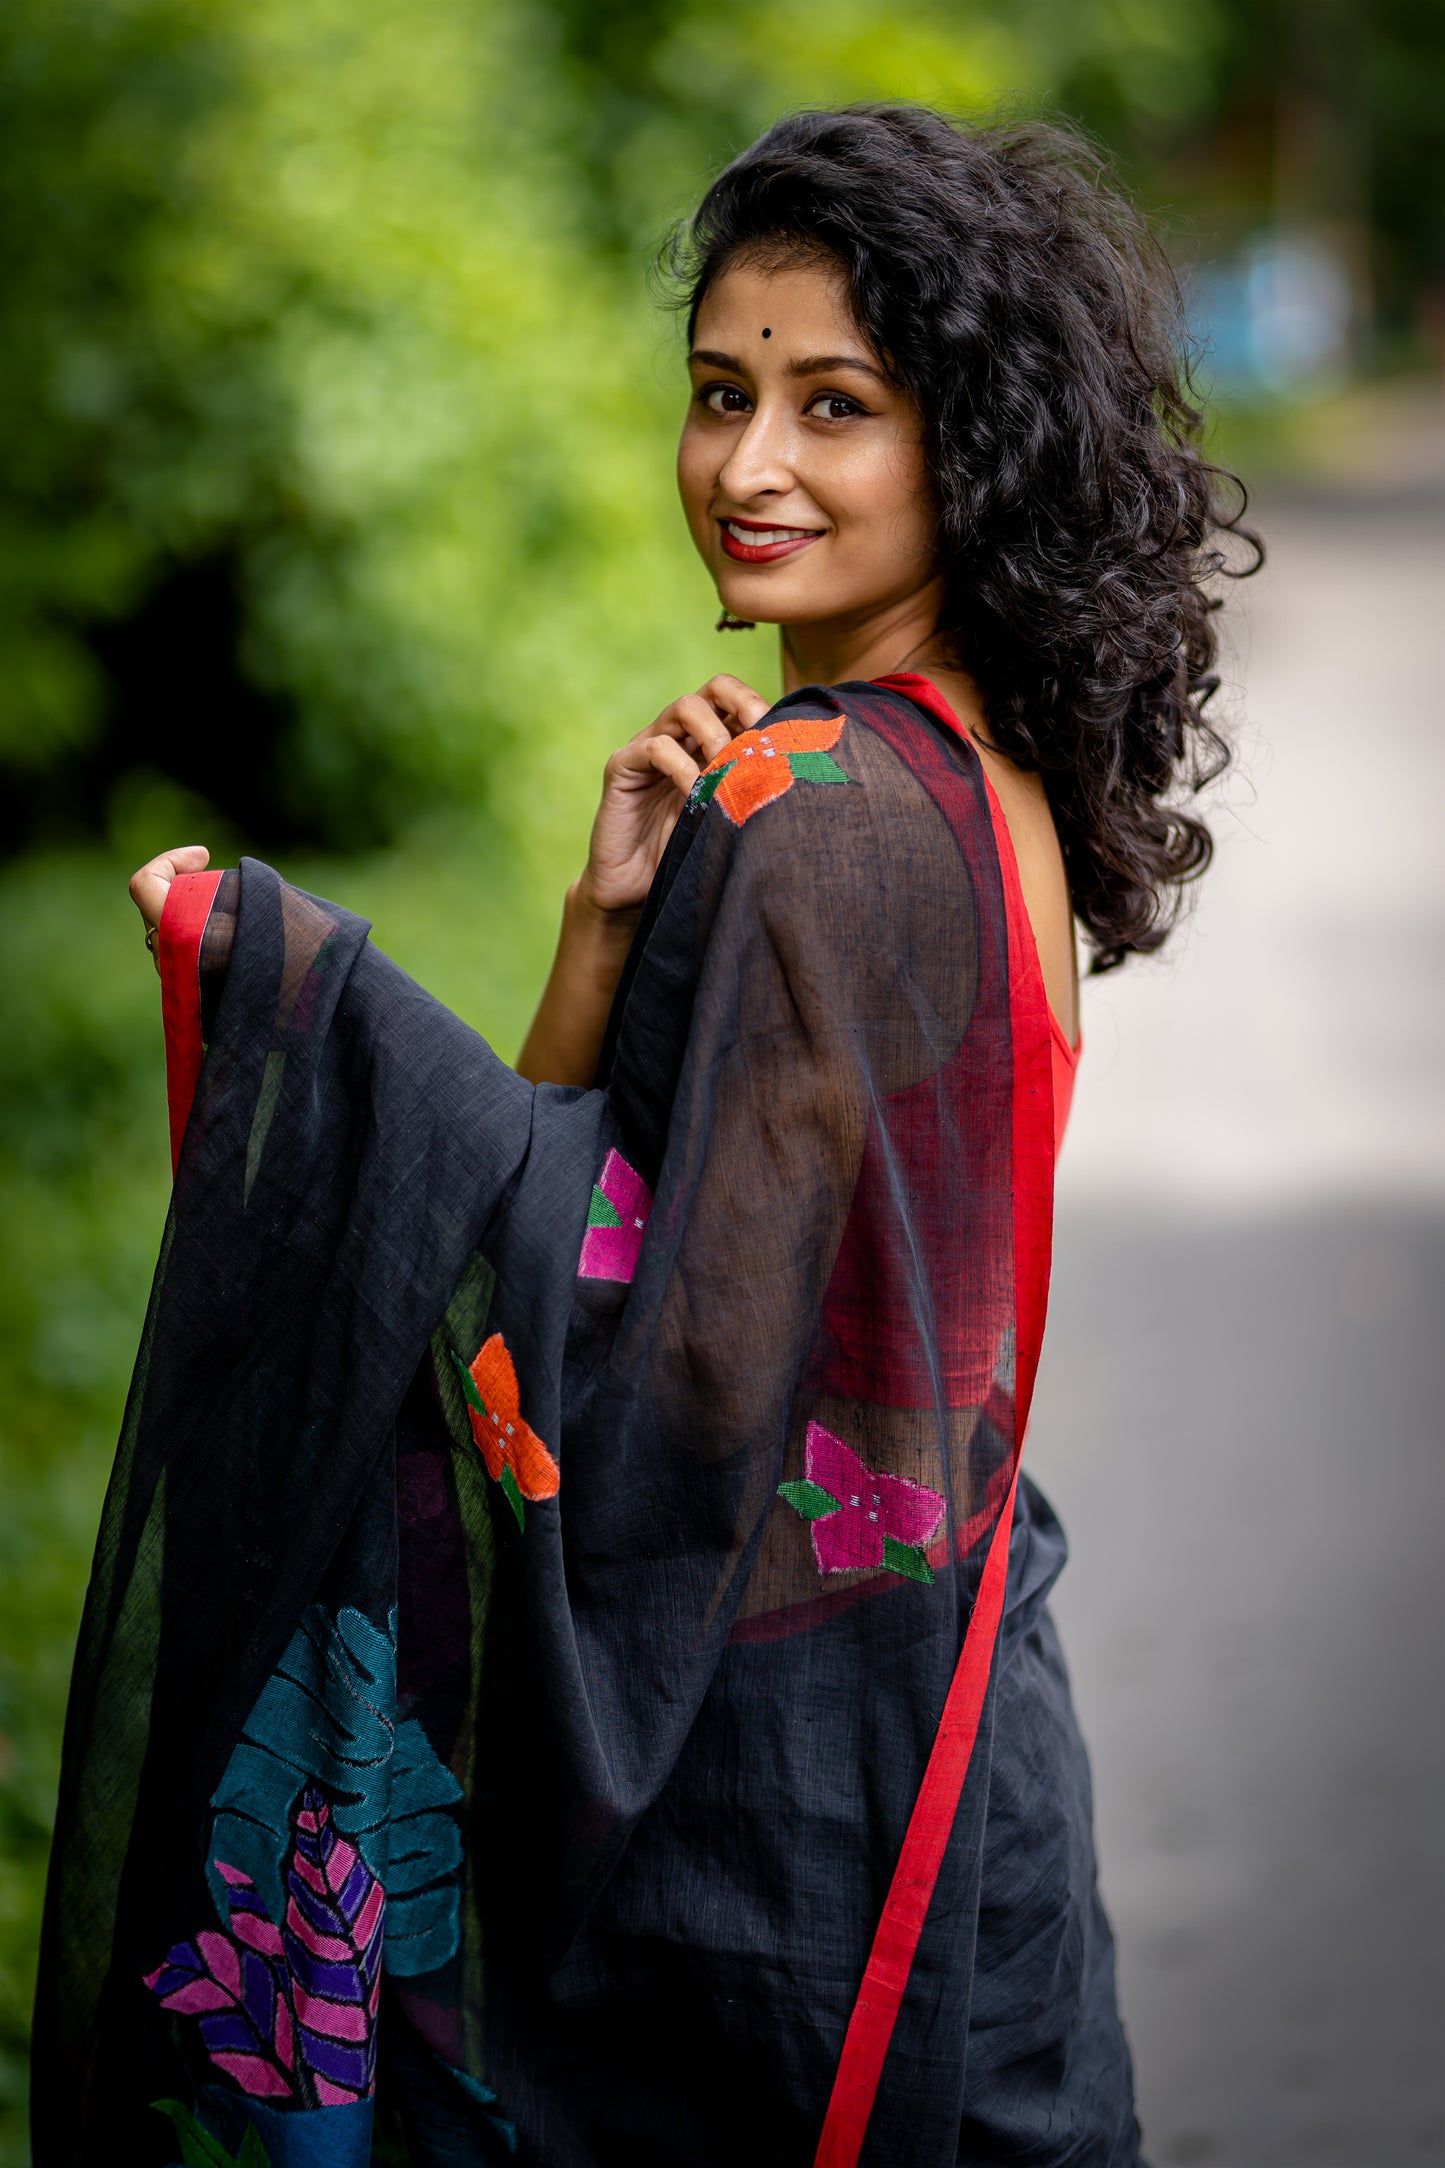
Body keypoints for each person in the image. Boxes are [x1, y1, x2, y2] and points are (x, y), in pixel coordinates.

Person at [33, 106, 1255, 2167]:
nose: (749, 467)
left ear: (973, 443)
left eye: (834, 406)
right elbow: (650, 1222)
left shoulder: (817, 812)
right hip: (953, 1750)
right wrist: (604, 934)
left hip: (784, 1835)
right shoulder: (974, 769)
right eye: (719, 394)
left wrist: (300, 1007)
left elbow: (674, 1382)